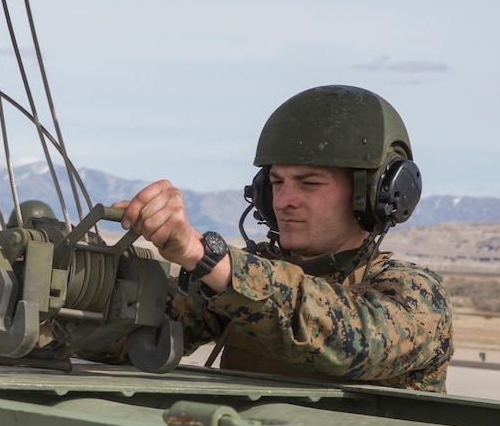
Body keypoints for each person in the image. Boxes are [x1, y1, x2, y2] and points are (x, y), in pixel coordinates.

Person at [114, 84, 453, 392]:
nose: (283, 200)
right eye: (277, 182)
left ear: (372, 196)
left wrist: (201, 254)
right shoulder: (251, 275)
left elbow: (344, 337)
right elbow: (132, 334)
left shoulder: (418, 297)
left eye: (310, 184)